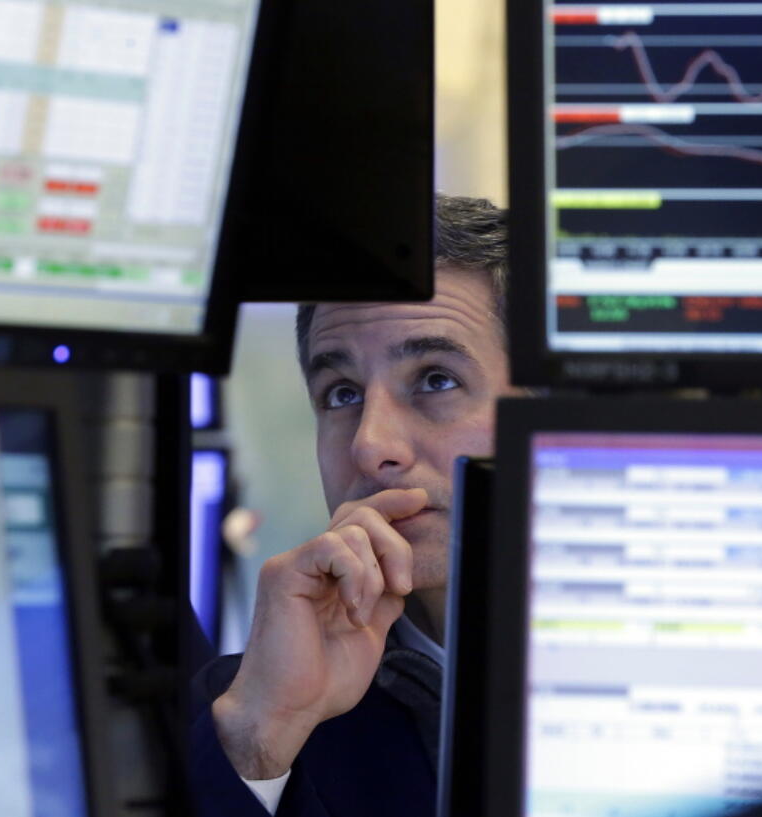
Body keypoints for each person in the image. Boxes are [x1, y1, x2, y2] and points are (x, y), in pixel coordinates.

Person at [189, 194, 520, 816]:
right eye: (340, 393)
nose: (371, 447)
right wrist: (262, 739)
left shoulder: (704, 678)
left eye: (436, 379)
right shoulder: (247, 707)